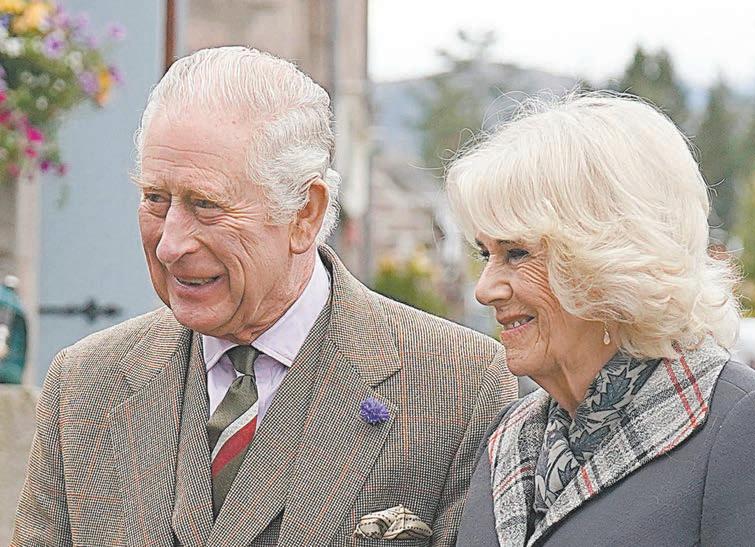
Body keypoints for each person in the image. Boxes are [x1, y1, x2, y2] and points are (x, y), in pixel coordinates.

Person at [12, 47, 517, 546]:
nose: (170, 244)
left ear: (305, 213)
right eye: (155, 199)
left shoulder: (461, 386)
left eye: (205, 204)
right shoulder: (84, 385)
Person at [446, 93, 755, 546]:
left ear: (613, 259)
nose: (485, 289)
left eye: (516, 253)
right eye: (486, 254)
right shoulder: (508, 439)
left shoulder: (748, 427)